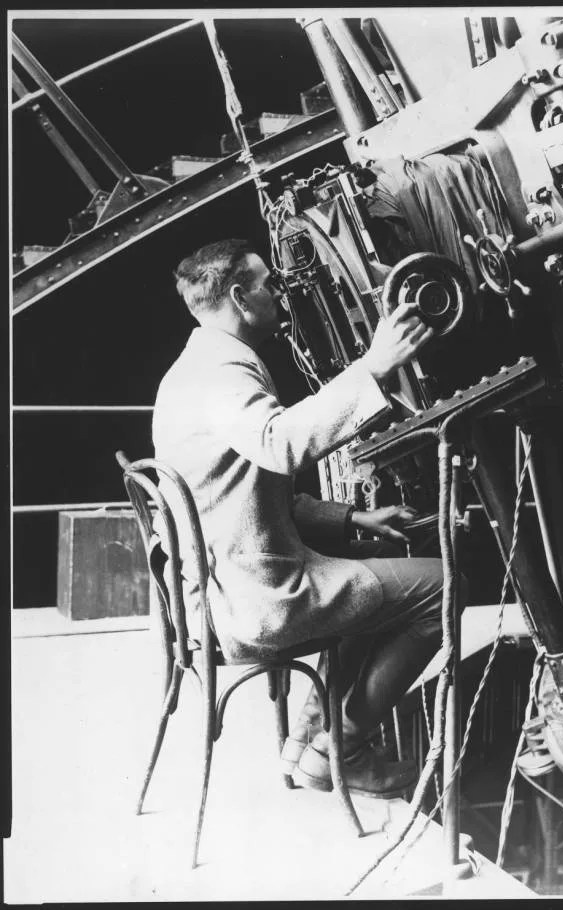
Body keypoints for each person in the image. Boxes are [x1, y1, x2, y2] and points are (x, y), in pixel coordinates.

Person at [153, 238, 463, 798]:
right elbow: (279, 446)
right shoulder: (224, 372)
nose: (280, 292)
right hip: (257, 601)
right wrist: (374, 366)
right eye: (269, 283)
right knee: (445, 588)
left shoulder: (192, 368)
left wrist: (352, 520)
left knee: (372, 565)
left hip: (220, 590)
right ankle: (343, 747)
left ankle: (305, 743)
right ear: (241, 297)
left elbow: (242, 492)